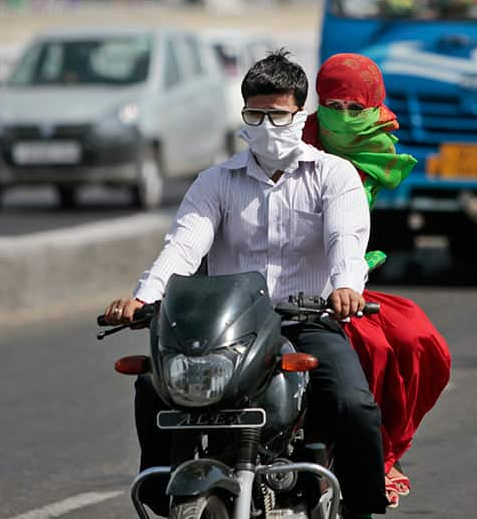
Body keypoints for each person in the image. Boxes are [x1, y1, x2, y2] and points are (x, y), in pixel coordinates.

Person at [104, 50, 387, 519]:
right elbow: (182, 247)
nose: (266, 125)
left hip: (306, 321)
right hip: (229, 329)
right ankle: (160, 490)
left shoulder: (333, 177)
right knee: (153, 384)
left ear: (300, 114)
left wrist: (344, 287)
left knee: (355, 405)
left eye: (278, 115)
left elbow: (345, 239)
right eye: (256, 114)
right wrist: (144, 298)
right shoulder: (216, 182)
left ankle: (359, 507)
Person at [303, 53, 452, 509]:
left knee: (415, 339)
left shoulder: (375, 149)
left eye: (355, 109)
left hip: (347, 284)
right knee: (374, 348)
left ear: (372, 109)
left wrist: (350, 274)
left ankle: (385, 450)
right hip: (293, 287)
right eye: (333, 106)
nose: (344, 119)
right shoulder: (293, 148)